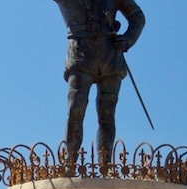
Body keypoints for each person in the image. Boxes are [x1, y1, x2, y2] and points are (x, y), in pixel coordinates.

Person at [57, 0, 143, 165]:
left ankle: (105, 164)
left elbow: (137, 16)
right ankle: (69, 162)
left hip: (109, 56)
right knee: (75, 108)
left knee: (107, 114)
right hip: (80, 54)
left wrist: (127, 39)